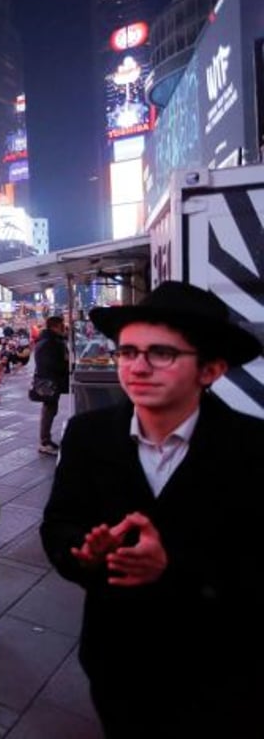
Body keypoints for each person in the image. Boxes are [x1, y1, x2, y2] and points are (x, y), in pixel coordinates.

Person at [40, 281, 264, 738]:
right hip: (117, 661)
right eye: (127, 352)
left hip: (224, 669)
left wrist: (174, 567)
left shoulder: (253, 447)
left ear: (211, 369)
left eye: (161, 353)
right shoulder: (88, 435)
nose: (137, 366)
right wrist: (82, 553)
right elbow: (58, 524)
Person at [31, 315, 69, 454]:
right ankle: (45, 442)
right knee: (49, 410)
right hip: (49, 382)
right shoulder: (50, 342)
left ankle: (46, 440)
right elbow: (50, 364)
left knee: (50, 410)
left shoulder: (49, 340)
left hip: (50, 380)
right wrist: (66, 364)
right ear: (56, 326)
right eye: (62, 325)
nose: (64, 328)